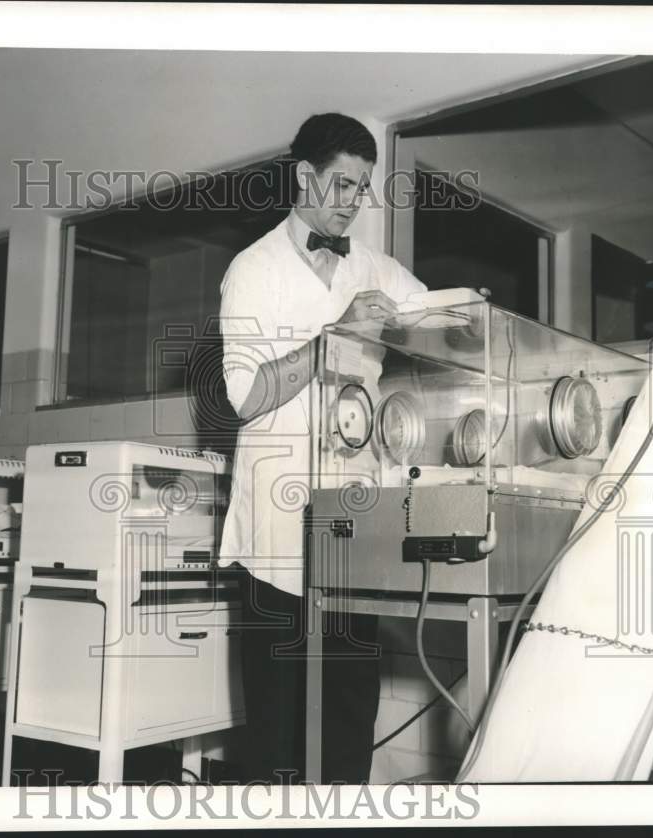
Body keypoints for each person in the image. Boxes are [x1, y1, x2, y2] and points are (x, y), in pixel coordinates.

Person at [217, 112, 427, 783]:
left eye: (363, 188)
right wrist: (334, 334)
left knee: (349, 718)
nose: (352, 203)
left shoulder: (373, 267)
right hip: (276, 531)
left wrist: (463, 313)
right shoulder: (252, 269)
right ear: (304, 176)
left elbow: (446, 318)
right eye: (341, 185)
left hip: (350, 527)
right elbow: (244, 397)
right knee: (278, 735)